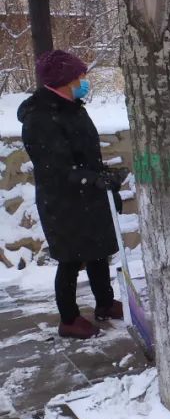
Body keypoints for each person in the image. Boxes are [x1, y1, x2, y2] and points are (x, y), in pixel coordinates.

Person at [18, 50, 124, 339]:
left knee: (99, 251)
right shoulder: (40, 117)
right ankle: (69, 318)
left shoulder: (75, 106)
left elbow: (86, 152)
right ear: (65, 80)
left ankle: (104, 303)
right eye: (80, 76)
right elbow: (56, 166)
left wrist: (104, 176)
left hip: (88, 194)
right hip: (62, 200)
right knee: (71, 259)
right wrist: (93, 178)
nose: (84, 80)